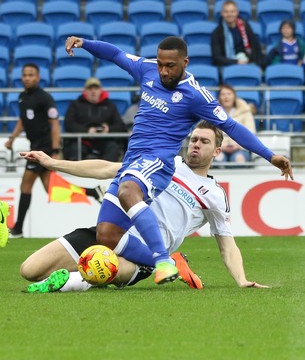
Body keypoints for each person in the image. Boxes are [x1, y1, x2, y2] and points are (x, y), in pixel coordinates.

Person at [65, 35, 292, 286]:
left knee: (128, 190)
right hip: (133, 162)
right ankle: (172, 262)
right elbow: (117, 55)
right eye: (161, 64)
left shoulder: (196, 96)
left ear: (185, 62)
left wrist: (270, 155)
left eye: (170, 65)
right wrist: (84, 43)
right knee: (106, 235)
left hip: (157, 162)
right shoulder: (148, 70)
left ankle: (162, 260)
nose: (163, 71)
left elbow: (231, 126)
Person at [20, 121, 269, 293]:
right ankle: (73, 279)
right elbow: (107, 168)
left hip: (145, 256)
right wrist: (52, 163)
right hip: (109, 232)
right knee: (29, 270)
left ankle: (67, 282)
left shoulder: (215, 195)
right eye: (193, 139)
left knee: (105, 267)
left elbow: (227, 245)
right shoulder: (164, 162)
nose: (195, 144)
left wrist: (242, 280)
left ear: (216, 151)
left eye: (204, 141)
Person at [4, 64, 105, 238]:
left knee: (25, 184)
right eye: (24, 75)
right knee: (51, 188)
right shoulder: (22, 97)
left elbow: (55, 125)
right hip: (34, 145)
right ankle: (93, 191)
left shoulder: (44, 98)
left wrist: (55, 150)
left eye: (31, 75)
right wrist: (12, 138)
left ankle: (18, 228)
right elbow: (22, 120)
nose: (27, 78)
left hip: (43, 148)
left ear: (38, 77)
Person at [64, 77, 127, 161]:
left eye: (96, 88)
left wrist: (108, 129)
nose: (93, 91)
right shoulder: (75, 105)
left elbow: (120, 125)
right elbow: (69, 124)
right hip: (82, 140)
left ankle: (107, 174)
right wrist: (86, 131)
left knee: (113, 148)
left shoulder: (110, 105)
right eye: (90, 88)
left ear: (101, 90)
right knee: (75, 150)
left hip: (104, 140)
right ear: (85, 91)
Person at [211, 0, 264, 68]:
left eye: (232, 11)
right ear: (222, 13)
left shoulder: (244, 26)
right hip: (227, 66)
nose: (229, 14)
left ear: (237, 12)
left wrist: (257, 66)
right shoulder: (217, 32)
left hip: (247, 63)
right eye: (226, 12)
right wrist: (236, 62)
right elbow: (217, 57)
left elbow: (255, 47)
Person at [214, 85, 256, 164]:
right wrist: (221, 146)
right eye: (223, 94)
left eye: (229, 94)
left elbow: (250, 132)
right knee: (218, 160)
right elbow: (211, 133)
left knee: (239, 160)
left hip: (240, 148)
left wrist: (237, 145)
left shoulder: (245, 112)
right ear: (219, 97)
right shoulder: (213, 113)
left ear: (234, 96)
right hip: (219, 148)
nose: (226, 97)